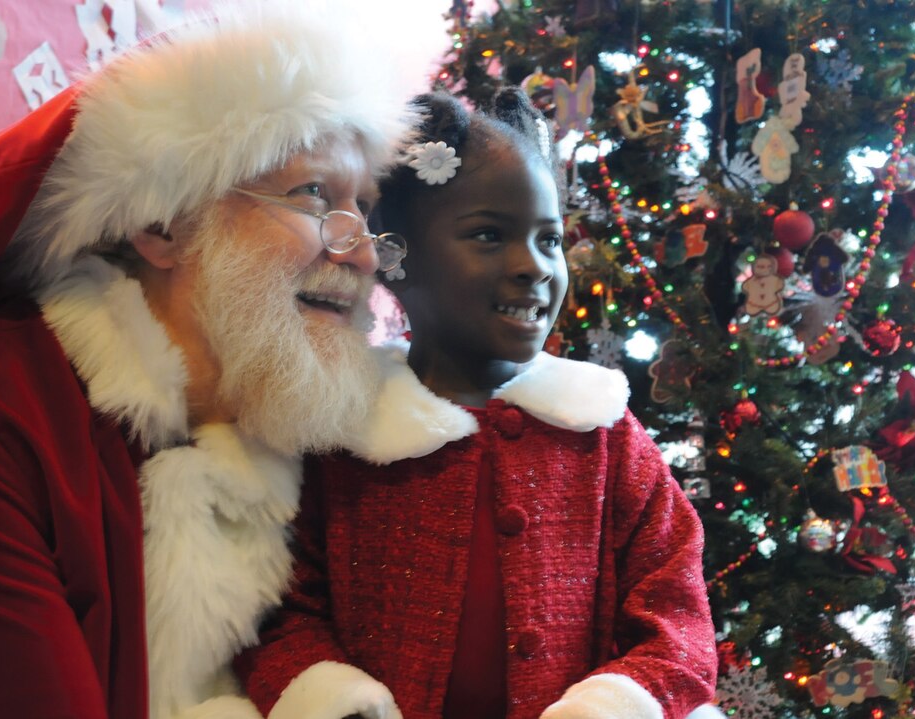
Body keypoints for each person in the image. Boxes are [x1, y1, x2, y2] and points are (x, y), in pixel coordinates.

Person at [0, 3, 424, 718]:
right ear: (162, 222)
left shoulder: (305, 451)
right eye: (314, 193)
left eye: (364, 209)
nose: (363, 252)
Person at [237, 90, 723, 719]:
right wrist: (329, 696)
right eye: (490, 235)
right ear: (396, 258)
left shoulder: (605, 437)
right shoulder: (341, 436)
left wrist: (618, 702)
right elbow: (279, 607)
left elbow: (675, 612)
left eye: (550, 240)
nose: (533, 266)